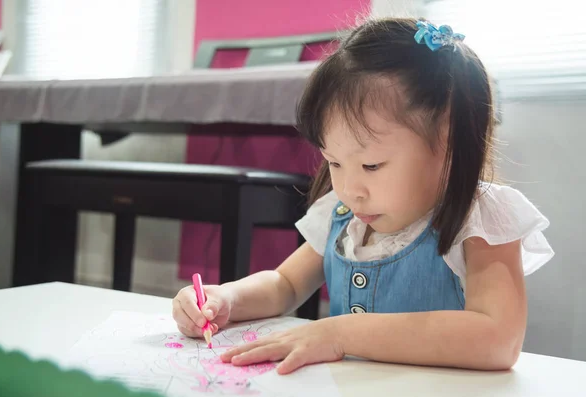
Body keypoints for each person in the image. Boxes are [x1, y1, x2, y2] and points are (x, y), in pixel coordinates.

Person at [172, 17, 554, 375]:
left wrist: (340, 334)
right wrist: (227, 299)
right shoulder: (343, 216)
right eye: (334, 162)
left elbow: (498, 340)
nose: (349, 189)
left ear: (450, 146)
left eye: (371, 166)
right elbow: (284, 284)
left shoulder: (481, 218)